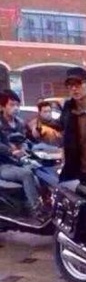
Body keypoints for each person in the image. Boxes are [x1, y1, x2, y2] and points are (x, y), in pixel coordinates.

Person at [0, 89, 46, 219]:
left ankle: (47, 204)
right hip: (3, 165)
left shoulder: (20, 122)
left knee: (41, 171)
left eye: (17, 105)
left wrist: (25, 148)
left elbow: (25, 140)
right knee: (27, 174)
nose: (16, 108)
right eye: (12, 105)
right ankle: (37, 211)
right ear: (2, 106)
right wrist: (11, 151)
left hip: (20, 161)